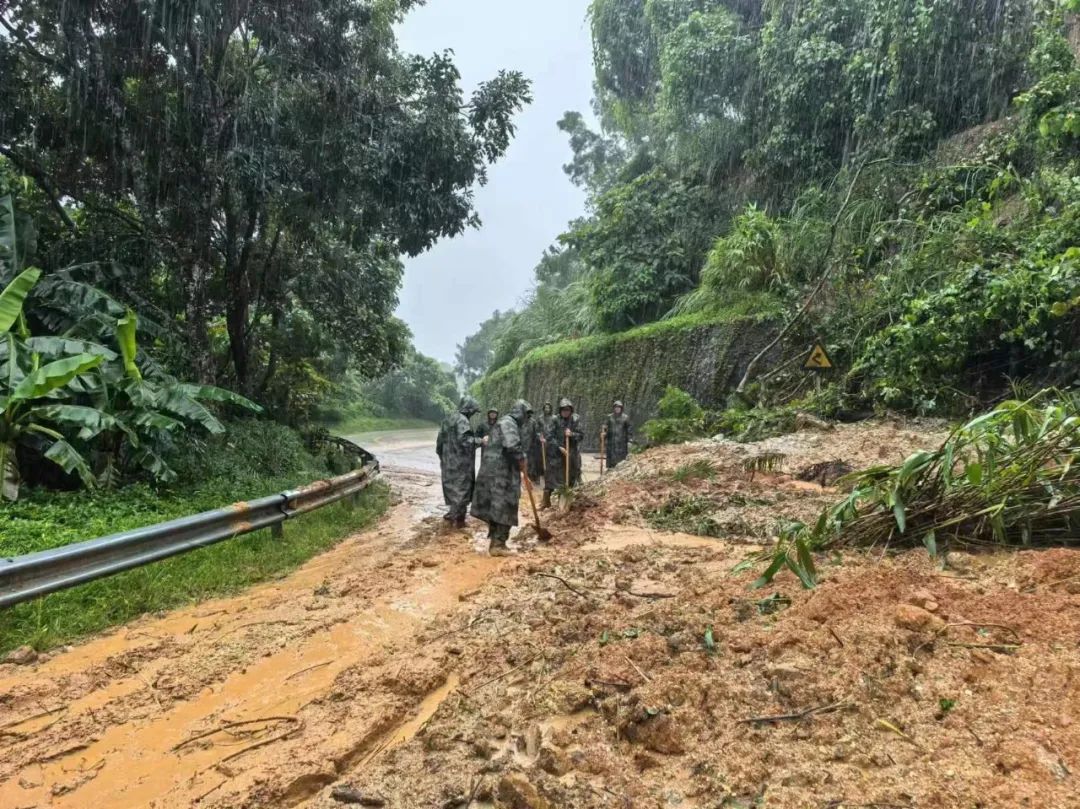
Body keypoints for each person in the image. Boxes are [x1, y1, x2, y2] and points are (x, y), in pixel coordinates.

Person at [472, 399, 532, 556]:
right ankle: (498, 545)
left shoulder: (505, 422)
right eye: (526, 415)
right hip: (500, 475)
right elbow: (513, 447)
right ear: (520, 413)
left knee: (496, 506)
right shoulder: (509, 423)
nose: (527, 419)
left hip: (495, 473)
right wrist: (523, 460)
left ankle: (495, 541)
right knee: (505, 506)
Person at [435, 395, 484, 528]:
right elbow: (465, 441)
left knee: (451, 488)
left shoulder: (448, 419)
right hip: (461, 463)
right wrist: (481, 441)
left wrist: (443, 458)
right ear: (468, 409)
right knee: (462, 490)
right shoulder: (463, 420)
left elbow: (439, 442)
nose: (473, 414)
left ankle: (452, 512)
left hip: (448, 462)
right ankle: (460, 521)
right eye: (473, 411)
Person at [542, 397, 584, 508]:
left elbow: (581, 435)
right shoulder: (555, 419)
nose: (565, 412)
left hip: (571, 453)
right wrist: (559, 447)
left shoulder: (575, 419)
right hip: (556, 454)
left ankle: (563, 504)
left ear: (571, 410)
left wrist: (572, 434)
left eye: (567, 410)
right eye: (563, 410)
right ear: (560, 410)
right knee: (551, 478)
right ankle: (545, 502)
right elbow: (549, 436)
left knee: (568, 478)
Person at [603, 400, 633, 469]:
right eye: (616, 407)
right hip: (611, 441)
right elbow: (605, 427)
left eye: (619, 407)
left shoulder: (625, 418)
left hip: (621, 441)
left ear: (621, 408)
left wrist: (629, 440)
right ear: (613, 408)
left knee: (621, 458)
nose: (617, 409)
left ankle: (620, 469)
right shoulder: (609, 417)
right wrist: (604, 433)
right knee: (611, 457)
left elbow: (629, 429)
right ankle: (610, 468)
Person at [526, 404, 546, 481]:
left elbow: (536, 433)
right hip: (520, 447)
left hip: (531, 447)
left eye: (529, 412)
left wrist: (539, 437)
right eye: (526, 412)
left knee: (532, 463)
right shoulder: (519, 421)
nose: (528, 414)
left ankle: (533, 478)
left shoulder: (533, 422)